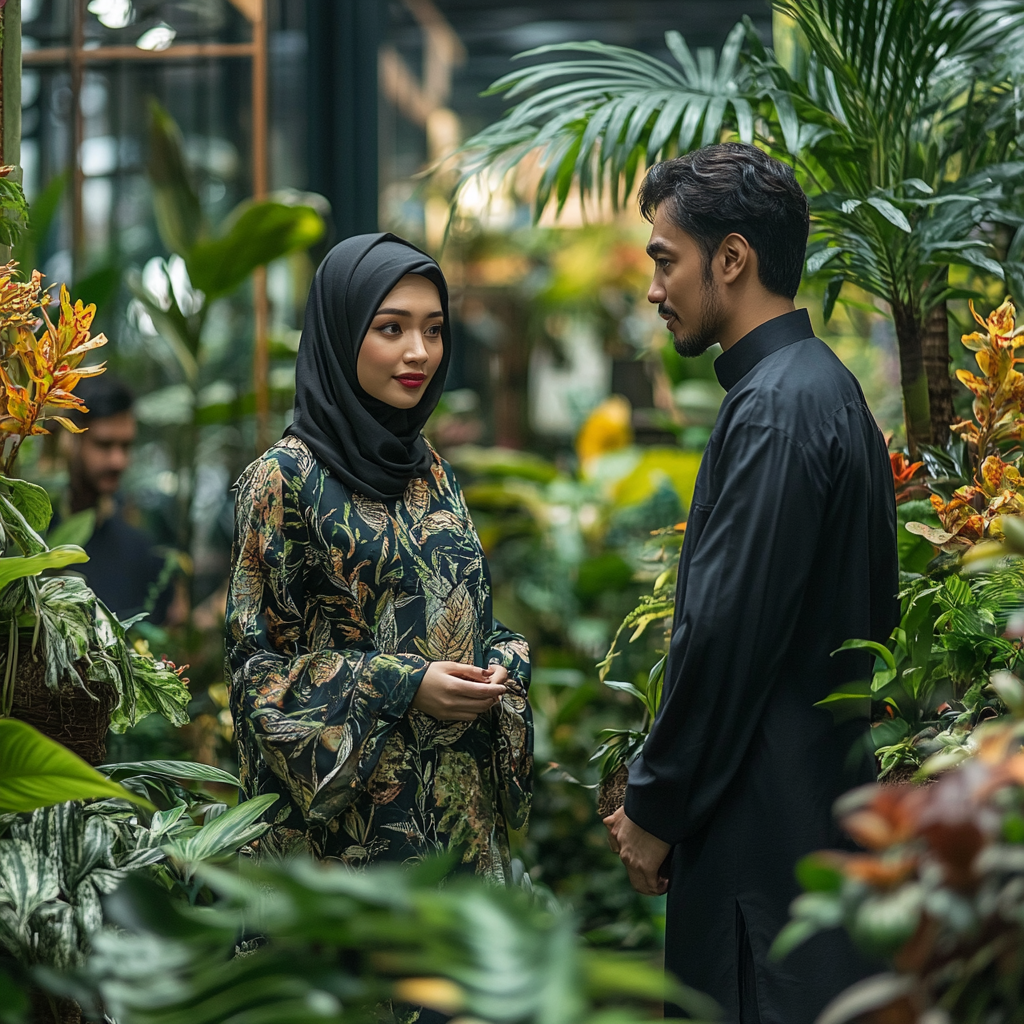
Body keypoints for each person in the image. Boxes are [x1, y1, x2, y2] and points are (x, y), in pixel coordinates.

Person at [604, 144, 899, 1022]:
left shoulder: (775, 406)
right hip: (807, 830)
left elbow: (726, 639)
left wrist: (654, 806)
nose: (655, 289)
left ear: (731, 259)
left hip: (760, 857)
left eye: (666, 259)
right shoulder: (820, 388)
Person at [225, 233, 533, 880]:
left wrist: (500, 665)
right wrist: (403, 685)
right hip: (348, 860)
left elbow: (467, 619)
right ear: (341, 334)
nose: (418, 352)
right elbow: (256, 677)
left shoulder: (433, 474)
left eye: (434, 329)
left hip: (456, 835)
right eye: (390, 328)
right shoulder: (282, 481)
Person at [60, 374, 180, 625]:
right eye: (104, 445)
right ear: (69, 440)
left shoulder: (142, 553)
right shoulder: (31, 537)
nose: (119, 461)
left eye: (125, 446)